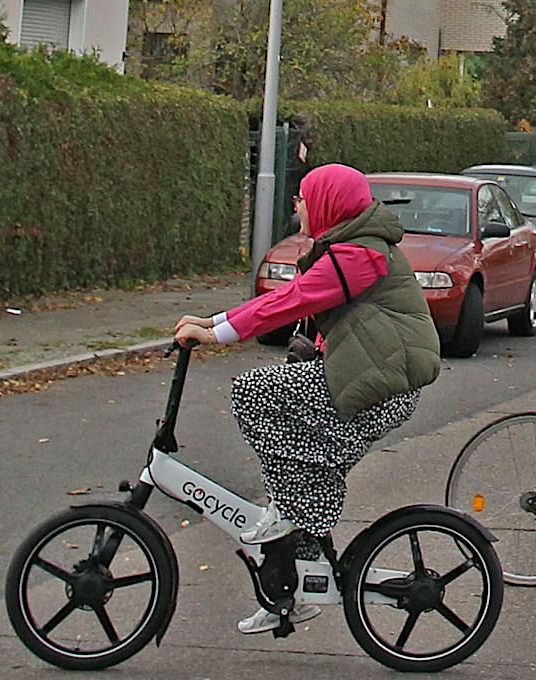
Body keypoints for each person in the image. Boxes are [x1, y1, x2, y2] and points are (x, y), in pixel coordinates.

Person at [174, 162, 440, 634]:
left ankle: (298, 507)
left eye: (303, 196)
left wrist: (218, 333)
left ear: (328, 205)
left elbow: (294, 299)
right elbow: (288, 297)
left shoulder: (360, 255)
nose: (296, 204)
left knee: (253, 394)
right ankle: (288, 593)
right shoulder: (348, 249)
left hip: (379, 387)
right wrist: (212, 322)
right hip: (365, 378)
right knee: (300, 478)